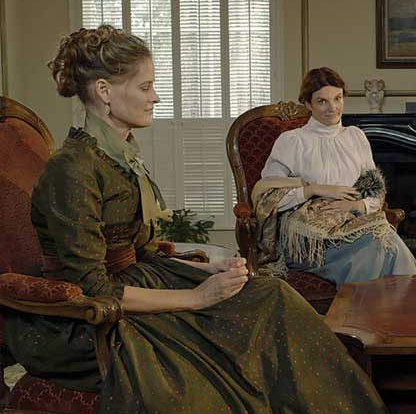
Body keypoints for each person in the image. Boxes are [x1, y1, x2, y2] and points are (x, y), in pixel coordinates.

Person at [5, 26, 386, 413]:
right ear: (104, 91)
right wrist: (197, 296)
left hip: (138, 280)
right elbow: (93, 286)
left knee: (272, 294)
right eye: (145, 87)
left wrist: (209, 269)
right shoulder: (73, 169)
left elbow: (140, 249)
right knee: (221, 355)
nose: (155, 97)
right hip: (88, 322)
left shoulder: (119, 155)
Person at [257, 67, 416, 286]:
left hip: (353, 225)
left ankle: (386, 306)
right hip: (310, 239)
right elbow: (266, 197)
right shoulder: (292, 141)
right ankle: (401, 302)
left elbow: (375, 188)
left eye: (338, 98)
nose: (332, 108)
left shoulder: (355, 137)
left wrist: (357, 206)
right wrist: (314, 189)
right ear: (308, 104)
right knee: (380, 244)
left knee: (384, 242)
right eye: (322, 101)